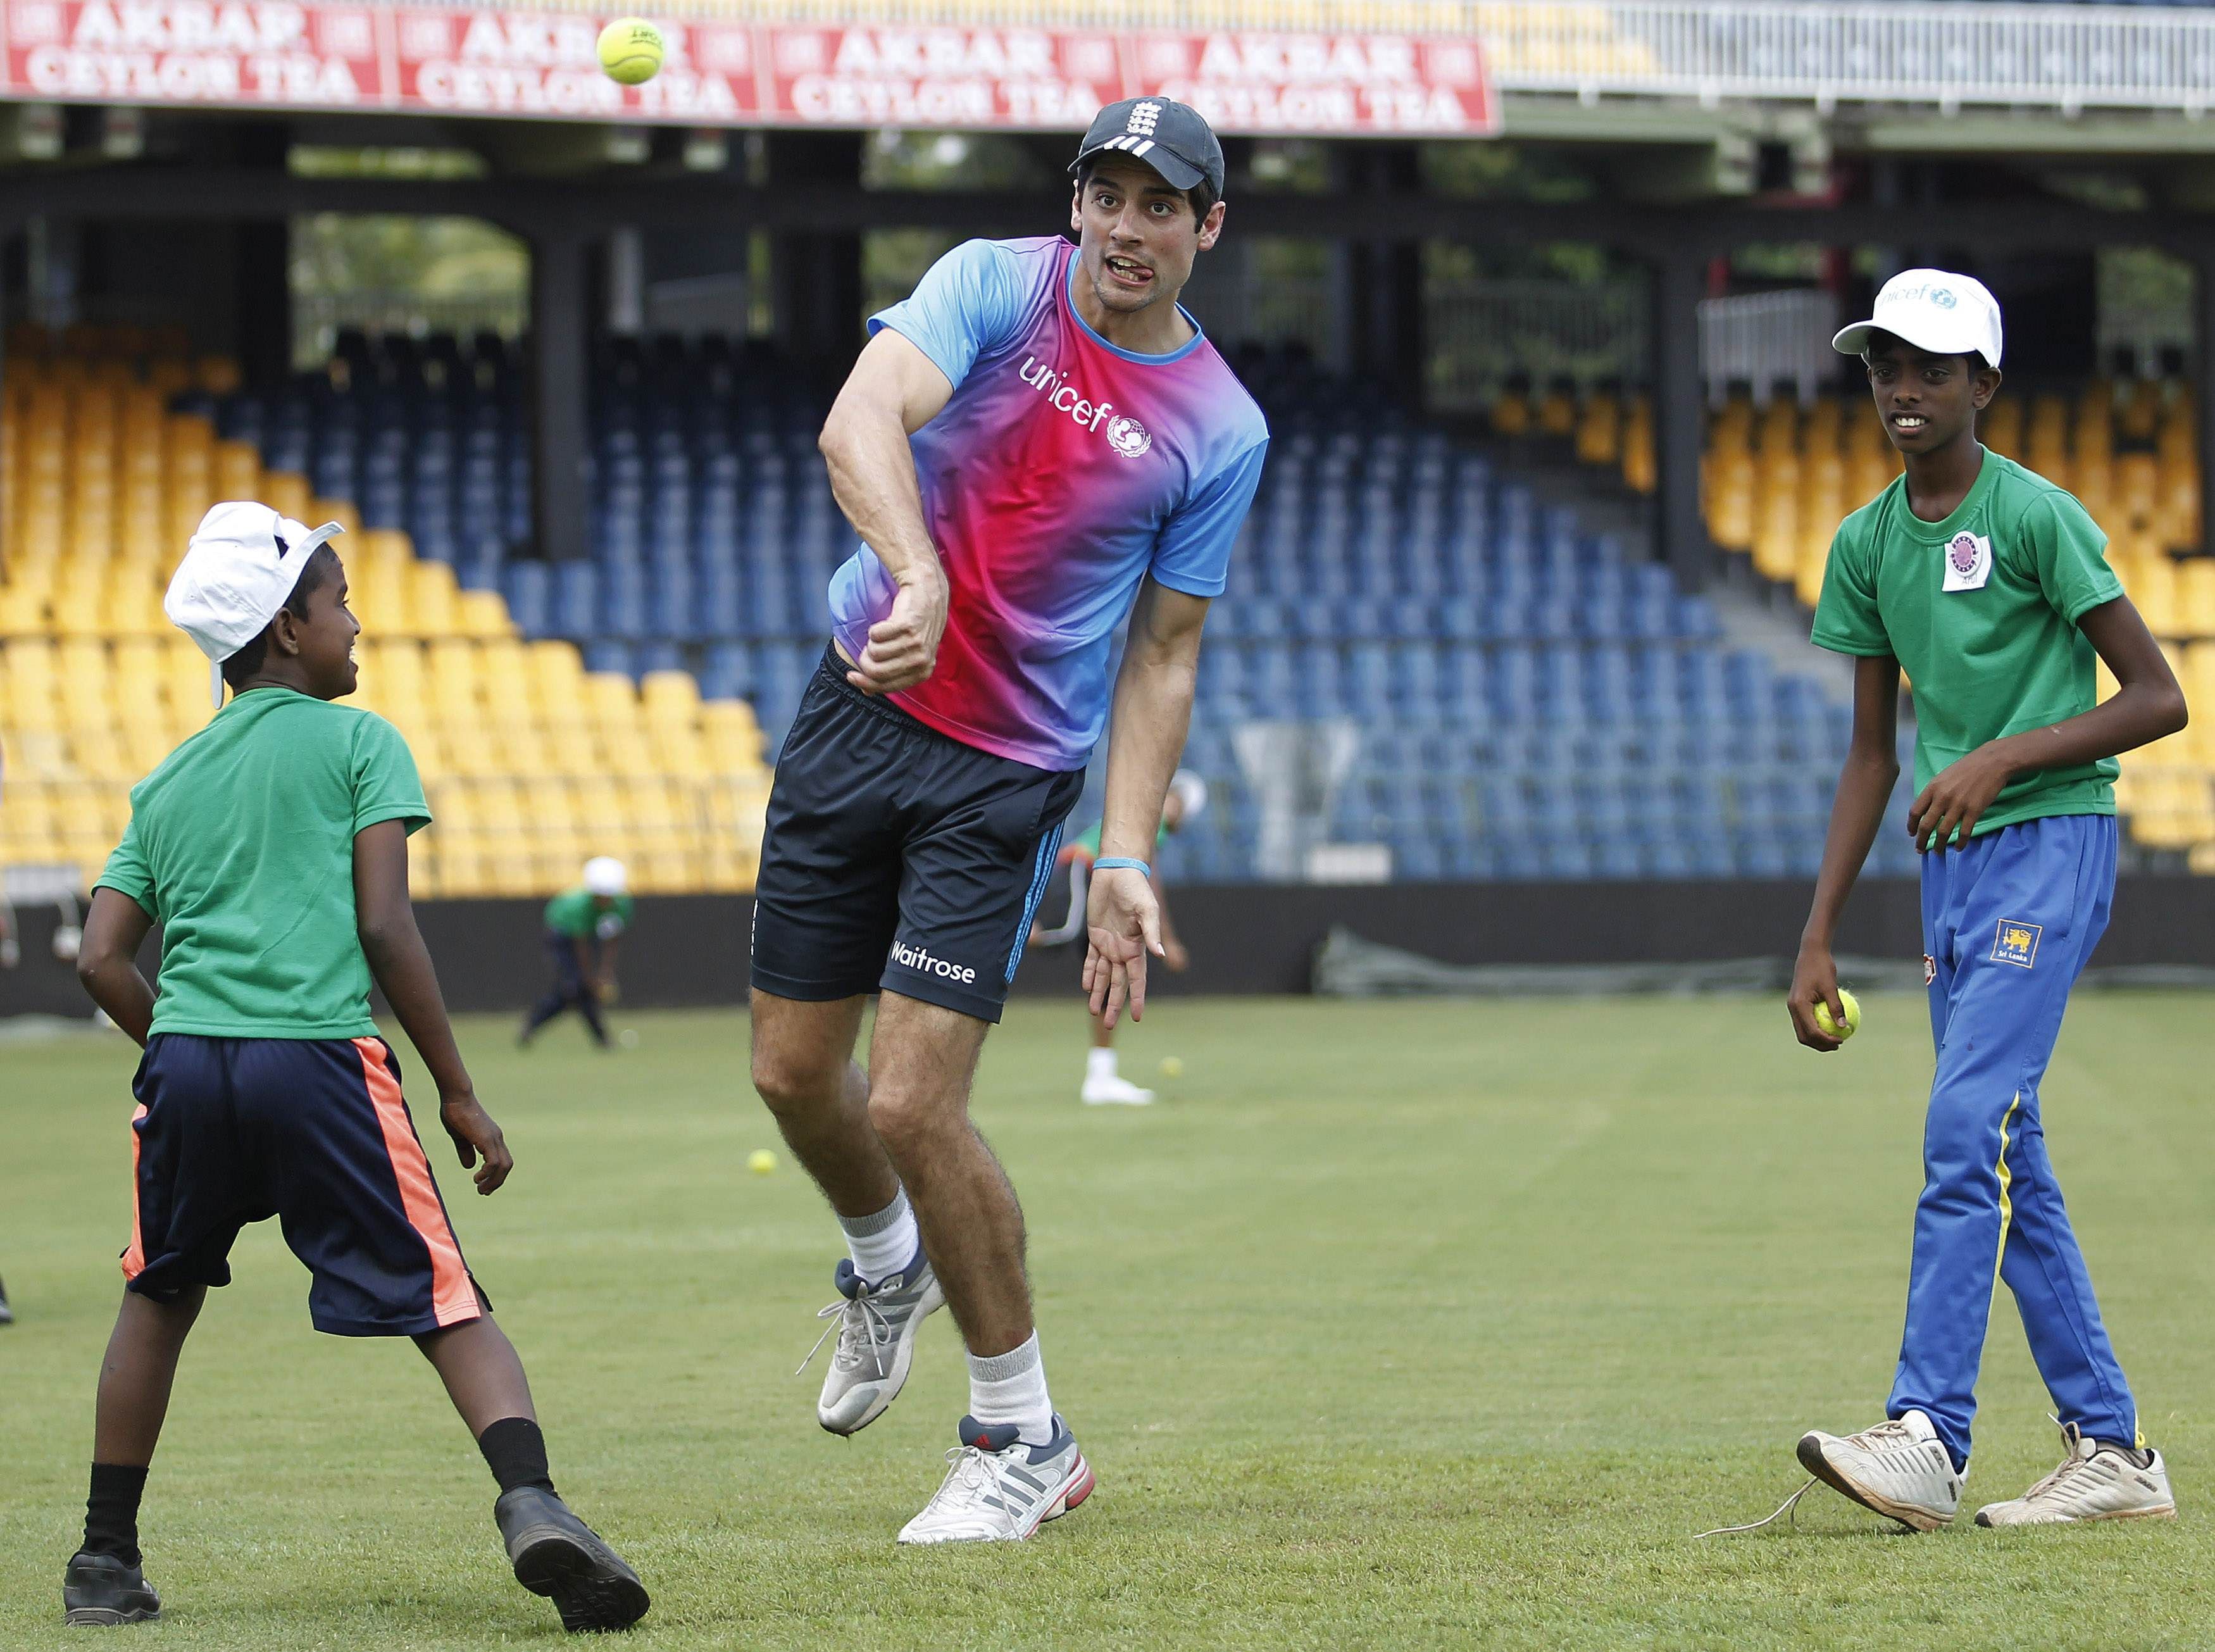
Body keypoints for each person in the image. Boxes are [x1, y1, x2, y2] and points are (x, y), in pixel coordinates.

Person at [746, 96, 1267, 1544]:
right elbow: (860, 413)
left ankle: (1021, 1430)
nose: (1126, 226)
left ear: (1204, 228)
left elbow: (1165, 651)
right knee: (795, 1073)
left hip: (1004, 768)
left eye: (1160, 204)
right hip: (857, 698)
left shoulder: (1221, 426)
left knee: (912, 1098)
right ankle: (882, 1257)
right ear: (1076, 203)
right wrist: (914, 573)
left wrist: (1126, 853)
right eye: (1107, 195)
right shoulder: (991, 278)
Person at [62, 502, 648, 1630]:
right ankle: (531, 1504)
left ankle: (102, 1561)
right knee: (446, 1299)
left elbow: (100, 958)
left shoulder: (171, 780)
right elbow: (386, 928)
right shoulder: (359, 742)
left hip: (185, 1070)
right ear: (288, 629)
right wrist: (459, 1091)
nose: (356, 621)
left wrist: (183, 1044)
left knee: (158, 1294)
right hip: (320, 1063)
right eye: (338, 603)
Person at [1787, 273, 2188, 1530]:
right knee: (2004, 1142)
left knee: (1966, 1125)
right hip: (1952, 873)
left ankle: (1928, 1434)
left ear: (1984, 387)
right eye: (1884, 366)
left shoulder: (2036, 517)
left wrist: (2003, 755)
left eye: (1932, 368)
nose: (1903, 389)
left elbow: (2156, 696)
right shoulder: (1860, 543)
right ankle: (2111, 1452)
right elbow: (1868, 757)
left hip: (2048, 842)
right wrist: (1813, 939)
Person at [1030, 770, 1205, 1105]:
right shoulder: (1150, 817)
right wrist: (1166, 938)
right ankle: (1003, 935)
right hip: (1083, 866)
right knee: (1065, 933)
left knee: (1109, 969)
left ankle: (1101, 1077)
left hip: (1093, 873)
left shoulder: (1154, 822)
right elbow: (1148, 883)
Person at [519, 858, 631, 1048]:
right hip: (561, 936)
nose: (605, 900)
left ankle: (532, 1026)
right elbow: (582, 947)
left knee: (576, 991)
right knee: (573, 987)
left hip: (590, 934)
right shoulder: (578, 907)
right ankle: (601, 1038)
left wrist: (605, 972)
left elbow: (612, 939)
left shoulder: (622, 904)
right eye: (600, 895)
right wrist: (590, 979)